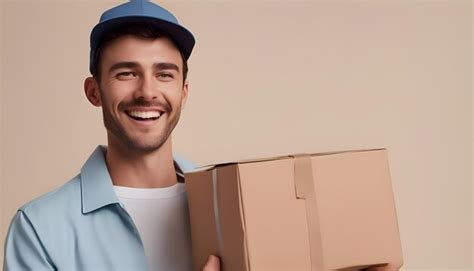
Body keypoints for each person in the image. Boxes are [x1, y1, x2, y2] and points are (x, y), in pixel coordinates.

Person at [3, 1, 219, 270]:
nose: (147, 92)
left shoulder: (226, 205)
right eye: (127, 73)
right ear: (94, 92)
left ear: (183, 92)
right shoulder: (39, 229)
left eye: (164, 74)